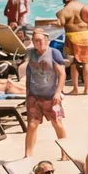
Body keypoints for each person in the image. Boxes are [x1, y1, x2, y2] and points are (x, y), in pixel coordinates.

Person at [22, 27, 66, 159]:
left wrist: (58, 92)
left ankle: (65, 153)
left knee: (57, 122)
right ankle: (28, 154)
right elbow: (28, 73)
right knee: (32, 125)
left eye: (40, 40)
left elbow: (62, 74)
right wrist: (27, 95)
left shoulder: (54, 53)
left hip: (52, 96)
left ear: (46, 41)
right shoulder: (30, 53)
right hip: (34, 96)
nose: (37, 43)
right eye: (35, 41)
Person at [54, 0, 88, 97]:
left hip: (72, 37)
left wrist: (56, 20)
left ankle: (75, 88)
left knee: (73, 63)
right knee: (87, 62)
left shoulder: (63, 11)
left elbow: (60, 24)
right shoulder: (85, 8)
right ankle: (87, 89)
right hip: (86, 36)